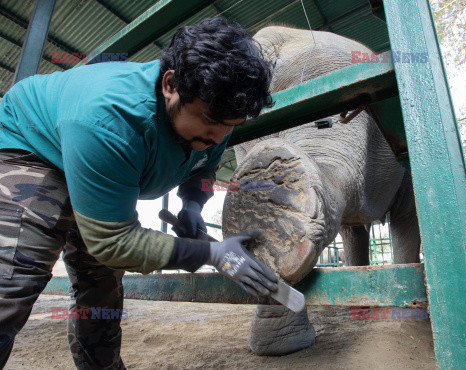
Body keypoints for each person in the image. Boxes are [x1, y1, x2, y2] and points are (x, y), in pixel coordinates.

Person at [0, 17, 277, 369]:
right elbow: (113, 242)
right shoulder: (110, 118)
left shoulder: (217, 115)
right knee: (13, 283)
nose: (220, 135)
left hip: (97, 158)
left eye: (230, 127)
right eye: (211, 122)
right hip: (32, 148)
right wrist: (210, 253)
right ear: (171, 85)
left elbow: (205, 168)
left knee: (102, 289)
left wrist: (192, 204)